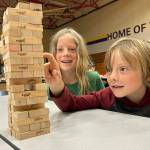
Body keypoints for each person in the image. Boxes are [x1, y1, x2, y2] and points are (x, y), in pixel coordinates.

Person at [44, 37, 150, 117]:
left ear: (147, 73)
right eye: (109, 70)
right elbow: (72, 104)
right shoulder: (106, 96)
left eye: (123, 69)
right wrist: (57, 88)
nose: (112, 77)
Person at [46, 27, 104, 98]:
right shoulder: (51, 82)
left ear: (80, 53)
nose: (66, 53)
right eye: (60, 49)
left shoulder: (94, 78)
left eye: (72, 49)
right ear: (55, 54)